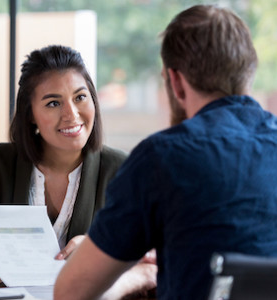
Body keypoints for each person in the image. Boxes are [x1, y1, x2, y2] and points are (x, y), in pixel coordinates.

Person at [54, 4, 277, 300]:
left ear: (176, 81)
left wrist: (139, 273)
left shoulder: (162, 158)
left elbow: (71, 293)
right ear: (249, 71)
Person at [0, 45, 136, 280]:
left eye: (80, 97)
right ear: (30, 114)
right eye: (53, 103)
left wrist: (99, 251)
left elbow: (150, 256)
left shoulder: (121, 170)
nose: (71, 114)